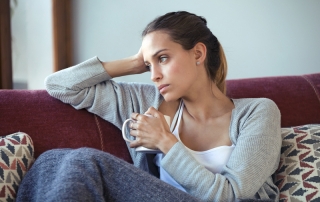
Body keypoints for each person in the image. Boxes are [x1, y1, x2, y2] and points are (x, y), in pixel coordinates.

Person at [17, 11, 281, 201]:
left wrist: (166, 142)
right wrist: (135, 62)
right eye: (148, 65)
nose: (153, 75)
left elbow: (231, 194)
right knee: (54, 160)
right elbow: (60, 86)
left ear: (198, 53)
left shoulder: (257, 112)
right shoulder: (147, 103)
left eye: (163, 58)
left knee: (87, 161)